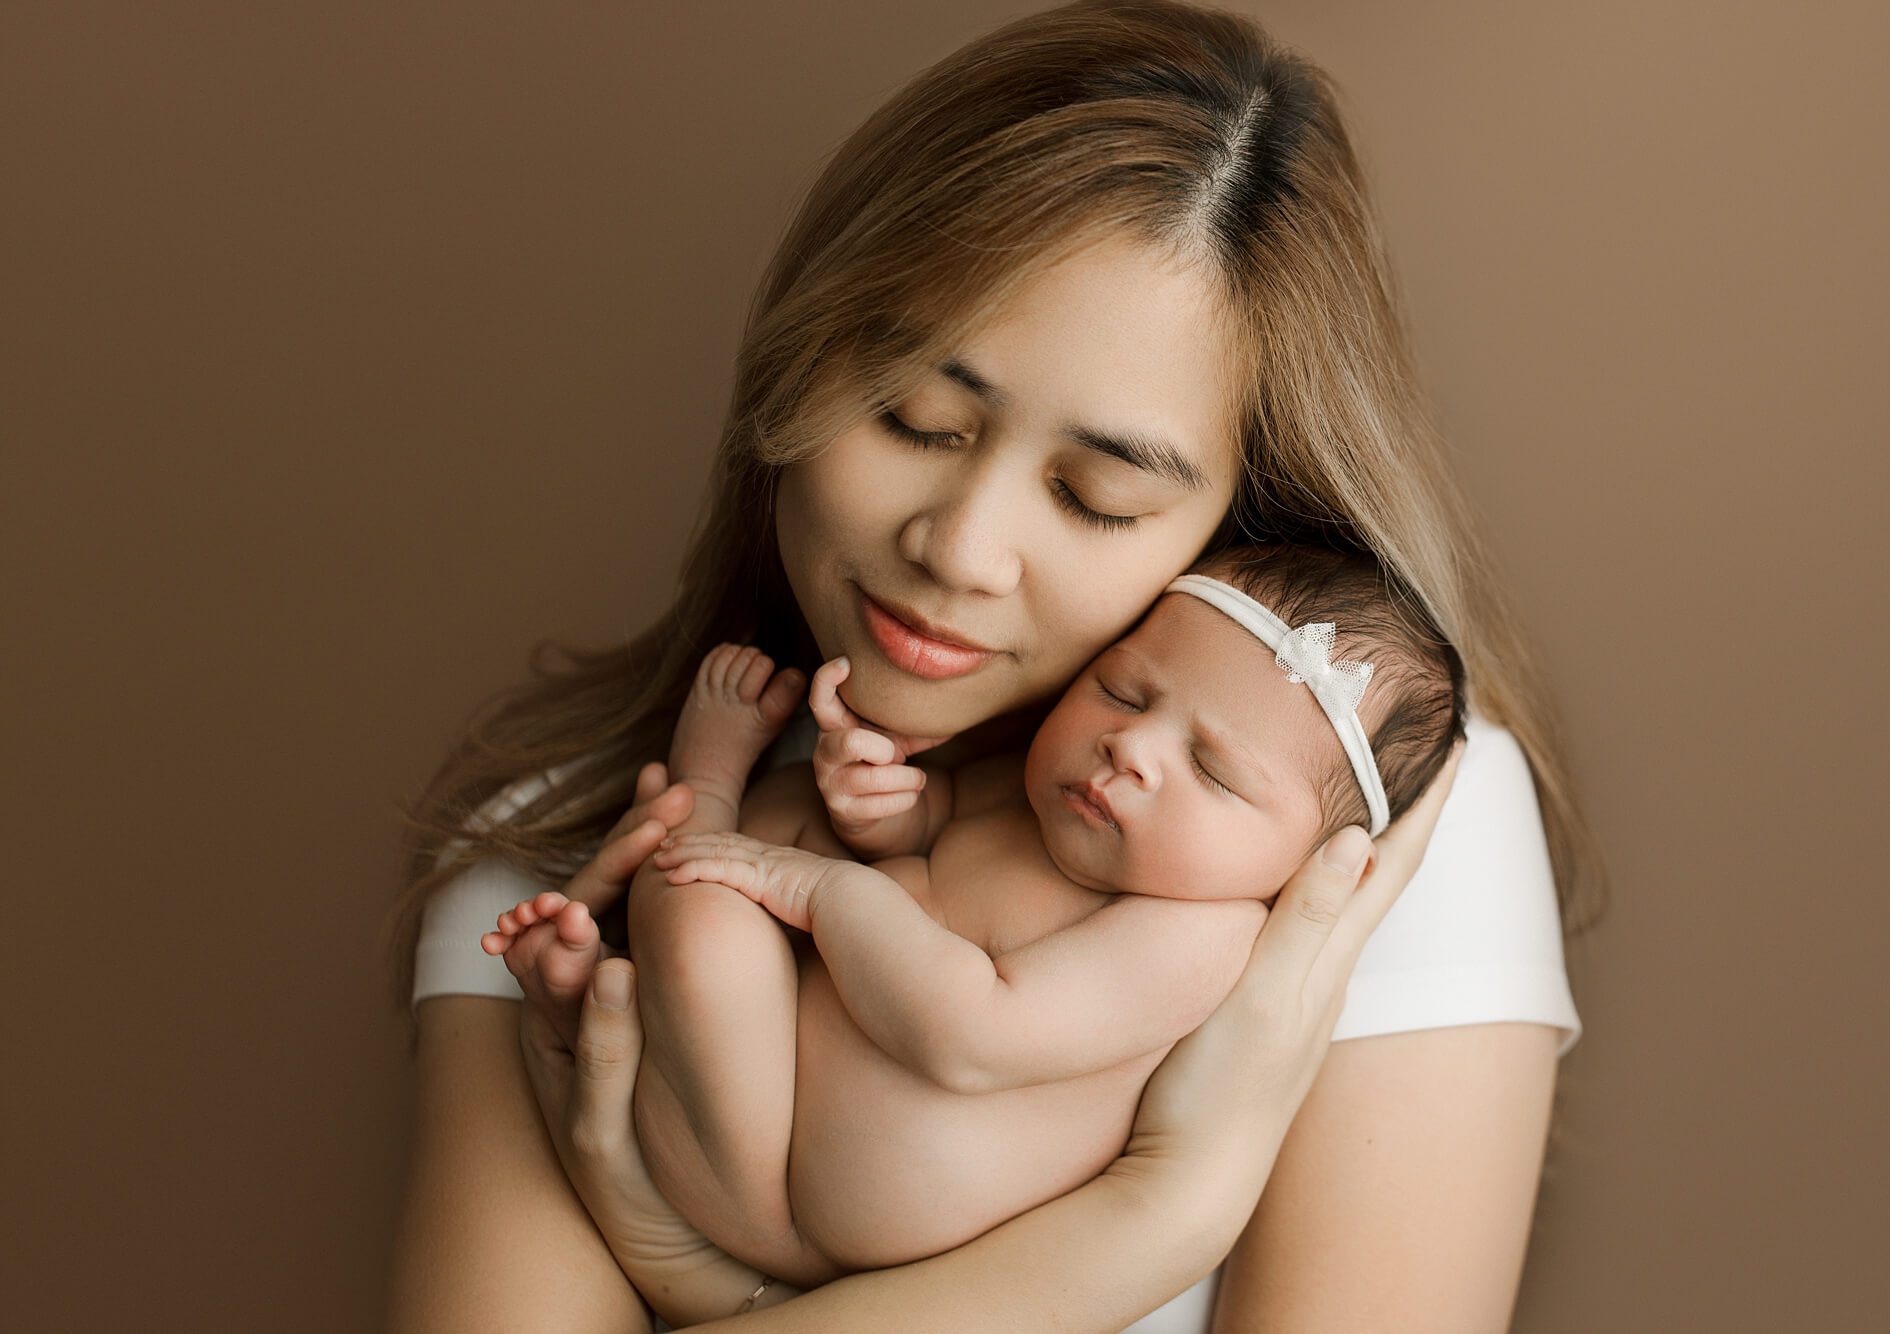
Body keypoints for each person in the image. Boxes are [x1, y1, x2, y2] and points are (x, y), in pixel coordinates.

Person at [383, 1, 1596, 1329]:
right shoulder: (561, 833)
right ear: (794, 366)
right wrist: (1147, 1219)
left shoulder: (1355, 832)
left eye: (1094, 497)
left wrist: (681, 1261)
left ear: (1230, 527)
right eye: (917, 417)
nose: (959, 549)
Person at [482, 544, 1467, 1285]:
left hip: (812, 1205)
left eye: (1211, 768)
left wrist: (821, 885)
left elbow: (972, 1033)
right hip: (737, 1103)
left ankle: (705, 782)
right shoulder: (1026, 783)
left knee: (715, 895)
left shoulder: (1194, 934)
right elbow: (927, 843)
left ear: (1312, 859)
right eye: (1121, 690)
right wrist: (879, 804)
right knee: (753, 857)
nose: (1130, 749)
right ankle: (606, 993)